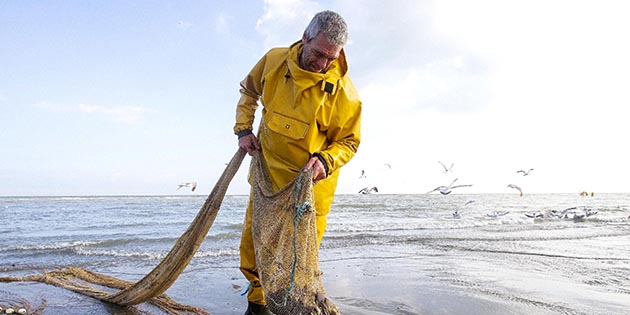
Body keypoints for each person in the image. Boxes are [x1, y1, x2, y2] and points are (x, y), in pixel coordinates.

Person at [233, 10, 361, 315]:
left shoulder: (343, 91)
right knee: (255, 245)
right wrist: (243, 130)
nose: (323, 64)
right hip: (268, 178)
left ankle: (296, 305)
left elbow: (349, 141)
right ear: (305, 38)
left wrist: (325, 160)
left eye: (332, 58)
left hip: (310, 190)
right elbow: (249, 92)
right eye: (318, 54)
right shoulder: (274, 61)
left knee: (299, 260)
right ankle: (257, 304)